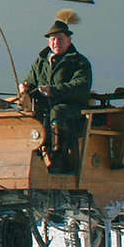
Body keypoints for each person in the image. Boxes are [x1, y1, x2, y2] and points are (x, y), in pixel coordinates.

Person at [18, 10, 92, 174]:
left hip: (72, 108)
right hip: (44, 107)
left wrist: (54, 91)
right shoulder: (41, 61)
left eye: (60, 39)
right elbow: (30, 80)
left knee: (57, 113)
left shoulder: (79, 62)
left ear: (69, 41)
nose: (55, 42)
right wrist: (24, 88)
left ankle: (59, 158)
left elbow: (81, 85)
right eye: (52, 39)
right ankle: (32, 155)